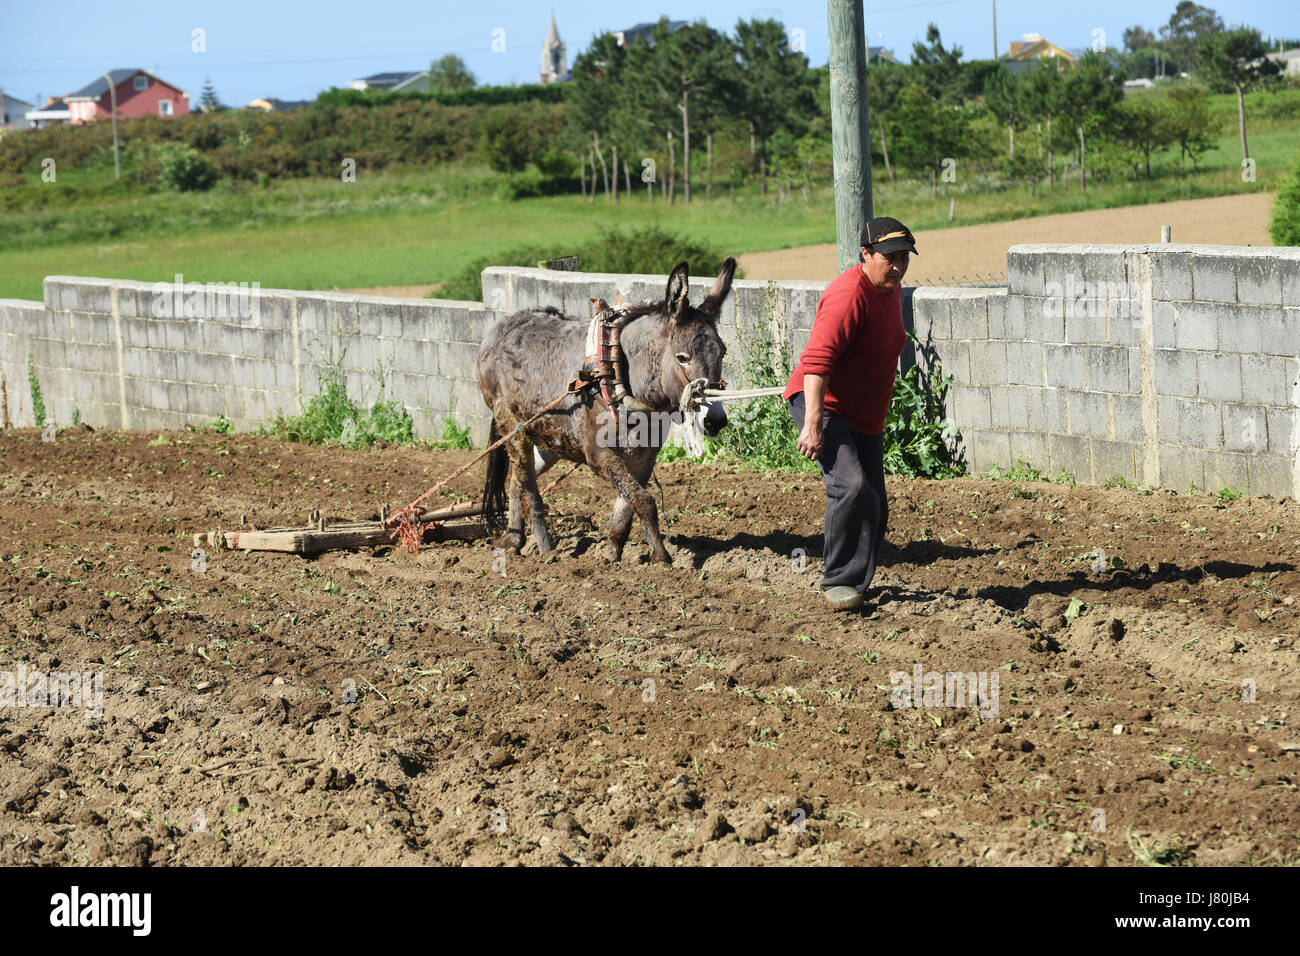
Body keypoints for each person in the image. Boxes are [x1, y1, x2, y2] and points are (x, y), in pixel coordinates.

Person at [783, 216, 917, 611]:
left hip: (864, 415)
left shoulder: (890, 288)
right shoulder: (848, 295)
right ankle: (838, 581)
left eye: (904, 258)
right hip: (823, 406)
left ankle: (858, 580)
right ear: (865, 253)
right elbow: (817, 361)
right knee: (852, 486)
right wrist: (812, 424)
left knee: (874, 500)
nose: (897, 266)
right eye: (888, 257)